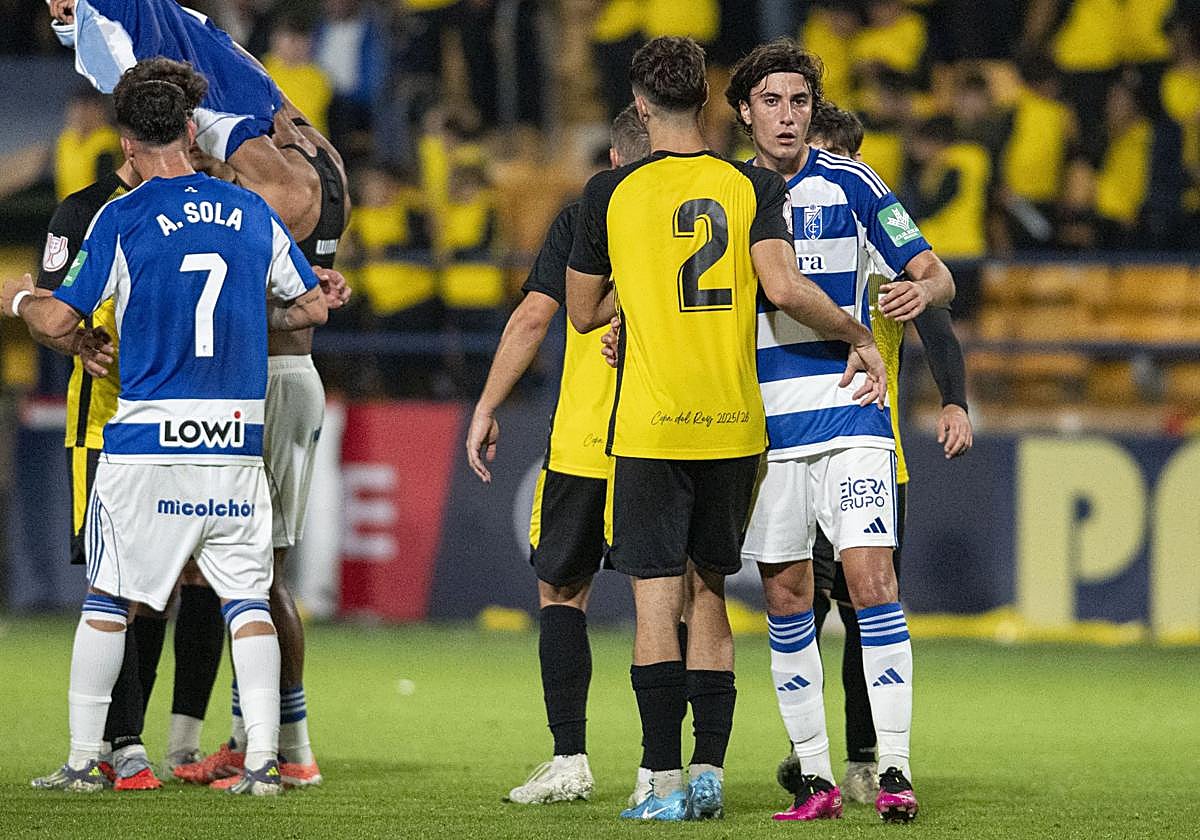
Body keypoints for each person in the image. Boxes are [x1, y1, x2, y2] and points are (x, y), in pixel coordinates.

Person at [566, 35, 886, 822]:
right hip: (738, 425)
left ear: (641, 106)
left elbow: (581, 312)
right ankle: (710, 772)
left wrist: (634, 300)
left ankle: (661, 780)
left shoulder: (610, 194)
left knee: (654, 602)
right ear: (711, 101)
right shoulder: (747, 186)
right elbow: (783, 286)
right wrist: (856, 333)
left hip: (653, 426)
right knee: (711, 593)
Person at [2, 75, 327, 794]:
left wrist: (20, 297)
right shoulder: (250, 211)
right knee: (246, 599)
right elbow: (308, 309)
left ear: (125, 141)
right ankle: (267, 762)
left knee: (109, 599)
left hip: (148, 441)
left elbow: (59, 322)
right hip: (235, 442)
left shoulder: (122, 216)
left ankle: (88, 760)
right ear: (188, 132)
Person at [724, 39, 955, 823]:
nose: (788, 117)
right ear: (745, 111)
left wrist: (920, 295)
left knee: (870, 583)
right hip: (763, 428)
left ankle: (893, 769)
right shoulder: (726, 192)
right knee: (787, 597)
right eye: (772, 102)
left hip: (854, 411)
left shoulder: (853, 180)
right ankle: (818, 781)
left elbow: (935, 270)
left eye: (799, 102)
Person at [107, 55, 350, 789]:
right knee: (250, 575)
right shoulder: (316, 163)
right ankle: (263, 737)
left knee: (256, 577)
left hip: (266, 380)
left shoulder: (265, 186)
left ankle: (283, 749)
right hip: (273, 380)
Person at [771, 100, 972, 806]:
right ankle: (814, 756)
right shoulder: (779, 229)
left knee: (864, 605)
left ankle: (868, 756)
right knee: (801, 600)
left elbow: (937, 317)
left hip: (870, 444)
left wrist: (954, 401)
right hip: (792, 434)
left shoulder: (879, 252)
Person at [465, 104, 650, 805]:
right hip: (670, 437)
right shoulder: (700, 213)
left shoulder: (582, 220)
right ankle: (670, 766)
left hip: (582, 441)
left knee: (561, 595)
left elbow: (534, 317)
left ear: (610, 162)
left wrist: (486, 405)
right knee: (673, 601)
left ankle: (570, 758)